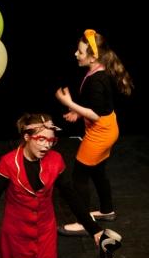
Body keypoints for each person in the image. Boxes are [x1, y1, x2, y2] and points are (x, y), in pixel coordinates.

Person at [0, 114, 102, 258]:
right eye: (41, 139)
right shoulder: (8, 163)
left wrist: (94, 229)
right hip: (16, 236)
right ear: (27, 137)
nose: (47, 145)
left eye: (51, 140)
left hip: (45, 235)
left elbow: (71, 197)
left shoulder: (56, 160)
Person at [54, 29, 132, 236]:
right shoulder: (98, 71)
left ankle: (83, 223)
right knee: (97, 171)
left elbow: (96, 114)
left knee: (79, 175)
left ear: (92, 57)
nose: (76, 54)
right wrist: (78, 113)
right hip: (109, 128)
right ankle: (107, 210)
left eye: (80, 52)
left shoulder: (97, 79)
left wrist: (69, 102)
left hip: (100, 133)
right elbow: (99, 105)